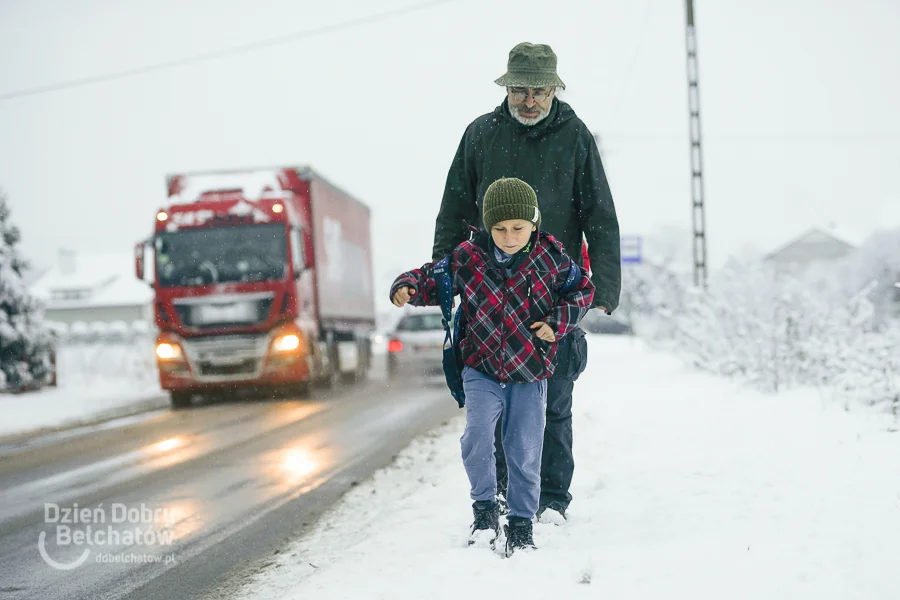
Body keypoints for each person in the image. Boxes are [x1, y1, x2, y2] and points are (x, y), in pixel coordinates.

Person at [431, 42, 621, 520]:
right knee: (493, 408)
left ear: (555, 89)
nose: (530, 101)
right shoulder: (481, 135)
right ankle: (497, 495)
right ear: (507, 89)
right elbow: (454, 209)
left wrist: (605, 287)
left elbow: (599, 216)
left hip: (553, 293)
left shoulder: (575, 136)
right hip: (489, 294)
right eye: (520, 90)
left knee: (553, 403)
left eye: (539, 90)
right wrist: (442, 276)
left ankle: (552, 500)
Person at [392, 178, 594, 555]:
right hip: (481, 366)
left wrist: (557, 323)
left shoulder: (552, 257)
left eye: (518, 228)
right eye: (499, 229)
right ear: (488, 226)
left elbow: (582, 289)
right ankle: (484, 510)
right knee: (478, 436)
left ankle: (520, 523)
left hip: (530, 369)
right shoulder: (470, 256)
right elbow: (435, 277)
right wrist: (408, 286)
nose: (508, 236)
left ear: (534, 223)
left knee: (524, 447)